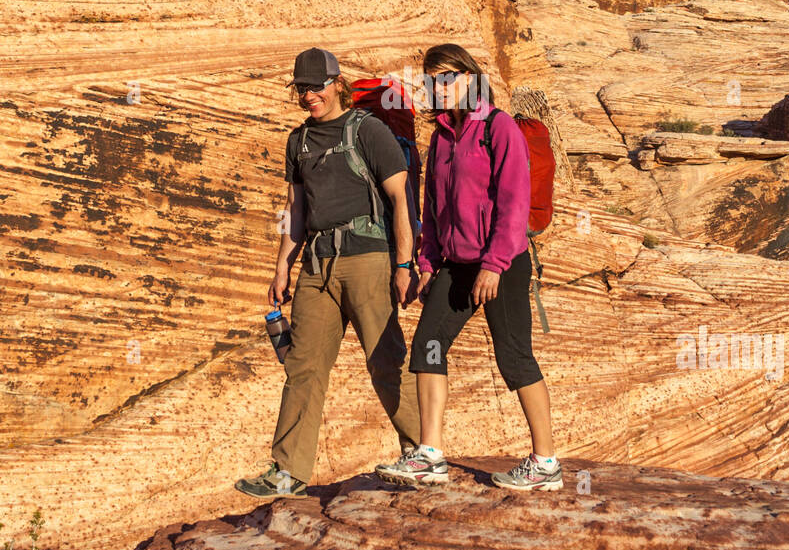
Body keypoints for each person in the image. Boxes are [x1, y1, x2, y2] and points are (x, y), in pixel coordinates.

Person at [235, 47, 422, 498]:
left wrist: (403, 263)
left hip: (368, 259)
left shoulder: (369, 131)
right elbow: (295, 208)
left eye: (316, 86)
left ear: (337, 83)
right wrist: (282, 266)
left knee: (385, 359)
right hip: (317, 265)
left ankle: (421, 451)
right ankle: (287, 470)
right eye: (302, 88)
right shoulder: (297, 142)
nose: (309, 96)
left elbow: (401, 199)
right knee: (303, 365)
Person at [375, 43, 562, 491]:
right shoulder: (441, 138)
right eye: (431, 79)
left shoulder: (498, 129)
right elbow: (435, 208)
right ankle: (431, 455)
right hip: (457, 267)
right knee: (428, 345)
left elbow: (514, 203)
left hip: (503, 262)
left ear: (470, 78)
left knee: (514, 358)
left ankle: (545, 462)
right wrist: (426, 261)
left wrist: (495, 265)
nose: (438, 87)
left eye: (447, 77)